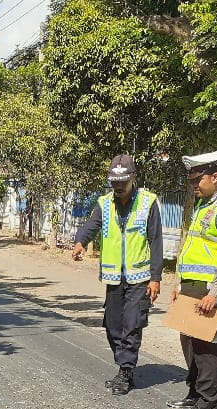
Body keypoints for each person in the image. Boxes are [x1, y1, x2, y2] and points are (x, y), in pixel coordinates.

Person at [71, 154, 163, 395]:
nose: (118, 186)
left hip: (139, 277)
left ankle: (126, 370)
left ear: (133, 178)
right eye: (114, 181)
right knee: (112, 325)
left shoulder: (148, 202)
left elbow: (156, 241)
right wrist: (80, 241)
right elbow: (91, 225)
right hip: (113, 278)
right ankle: (124, 364)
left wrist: (156, 277)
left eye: (122, 181)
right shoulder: (105, 203)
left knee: (131, 324)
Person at [168, 149, 217, 409]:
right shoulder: (204, 205)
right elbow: (192, 247)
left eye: (197, 181)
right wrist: (179, 282)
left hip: (207, 287)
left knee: (205, 344)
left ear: (215, 177)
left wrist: (216, 292)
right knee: (188, 342)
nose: (194, 186)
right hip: (191, 284)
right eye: (191, 182)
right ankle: (194, 392)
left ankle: (209, 400)